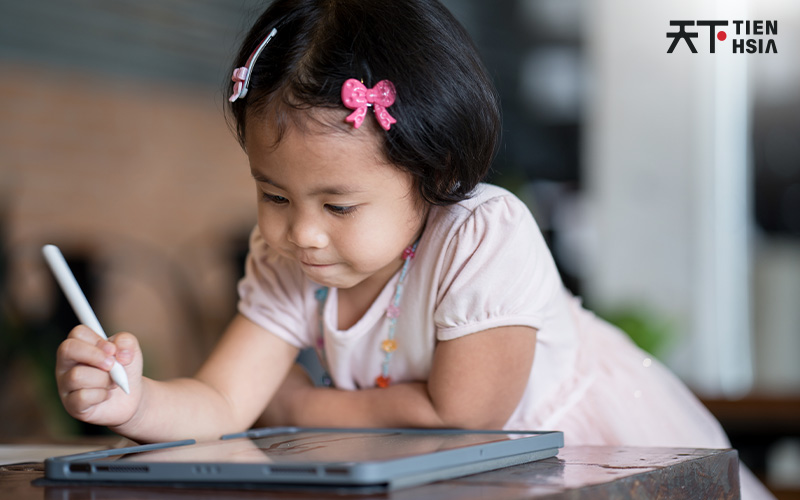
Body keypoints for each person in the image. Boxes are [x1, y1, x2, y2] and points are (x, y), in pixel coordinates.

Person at [55, 0, 772, 497]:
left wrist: (299, 405)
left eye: (338, 204)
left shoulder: (480, 233)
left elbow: (461, 415)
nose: (300, 232)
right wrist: (131, 400)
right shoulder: (286, 261)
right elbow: (220, 401)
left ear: (433, 175)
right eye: (273, 195)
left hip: (592, 452)